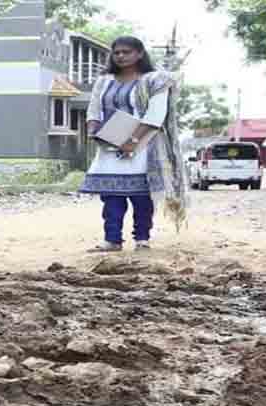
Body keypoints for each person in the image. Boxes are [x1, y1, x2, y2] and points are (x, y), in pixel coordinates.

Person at [80, 36, 189, 252]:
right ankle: (112, 240)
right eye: (117, 52)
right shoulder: (104, 81)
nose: (120, 56)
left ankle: (142, 240)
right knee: (111, 197)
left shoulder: (155, 80)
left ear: (139, 54)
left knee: (141, 198)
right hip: (110, 146)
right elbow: (94, 110)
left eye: (126, 52)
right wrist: (93, 129)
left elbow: (155, 115)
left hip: (144, 146)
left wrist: (133, 141)